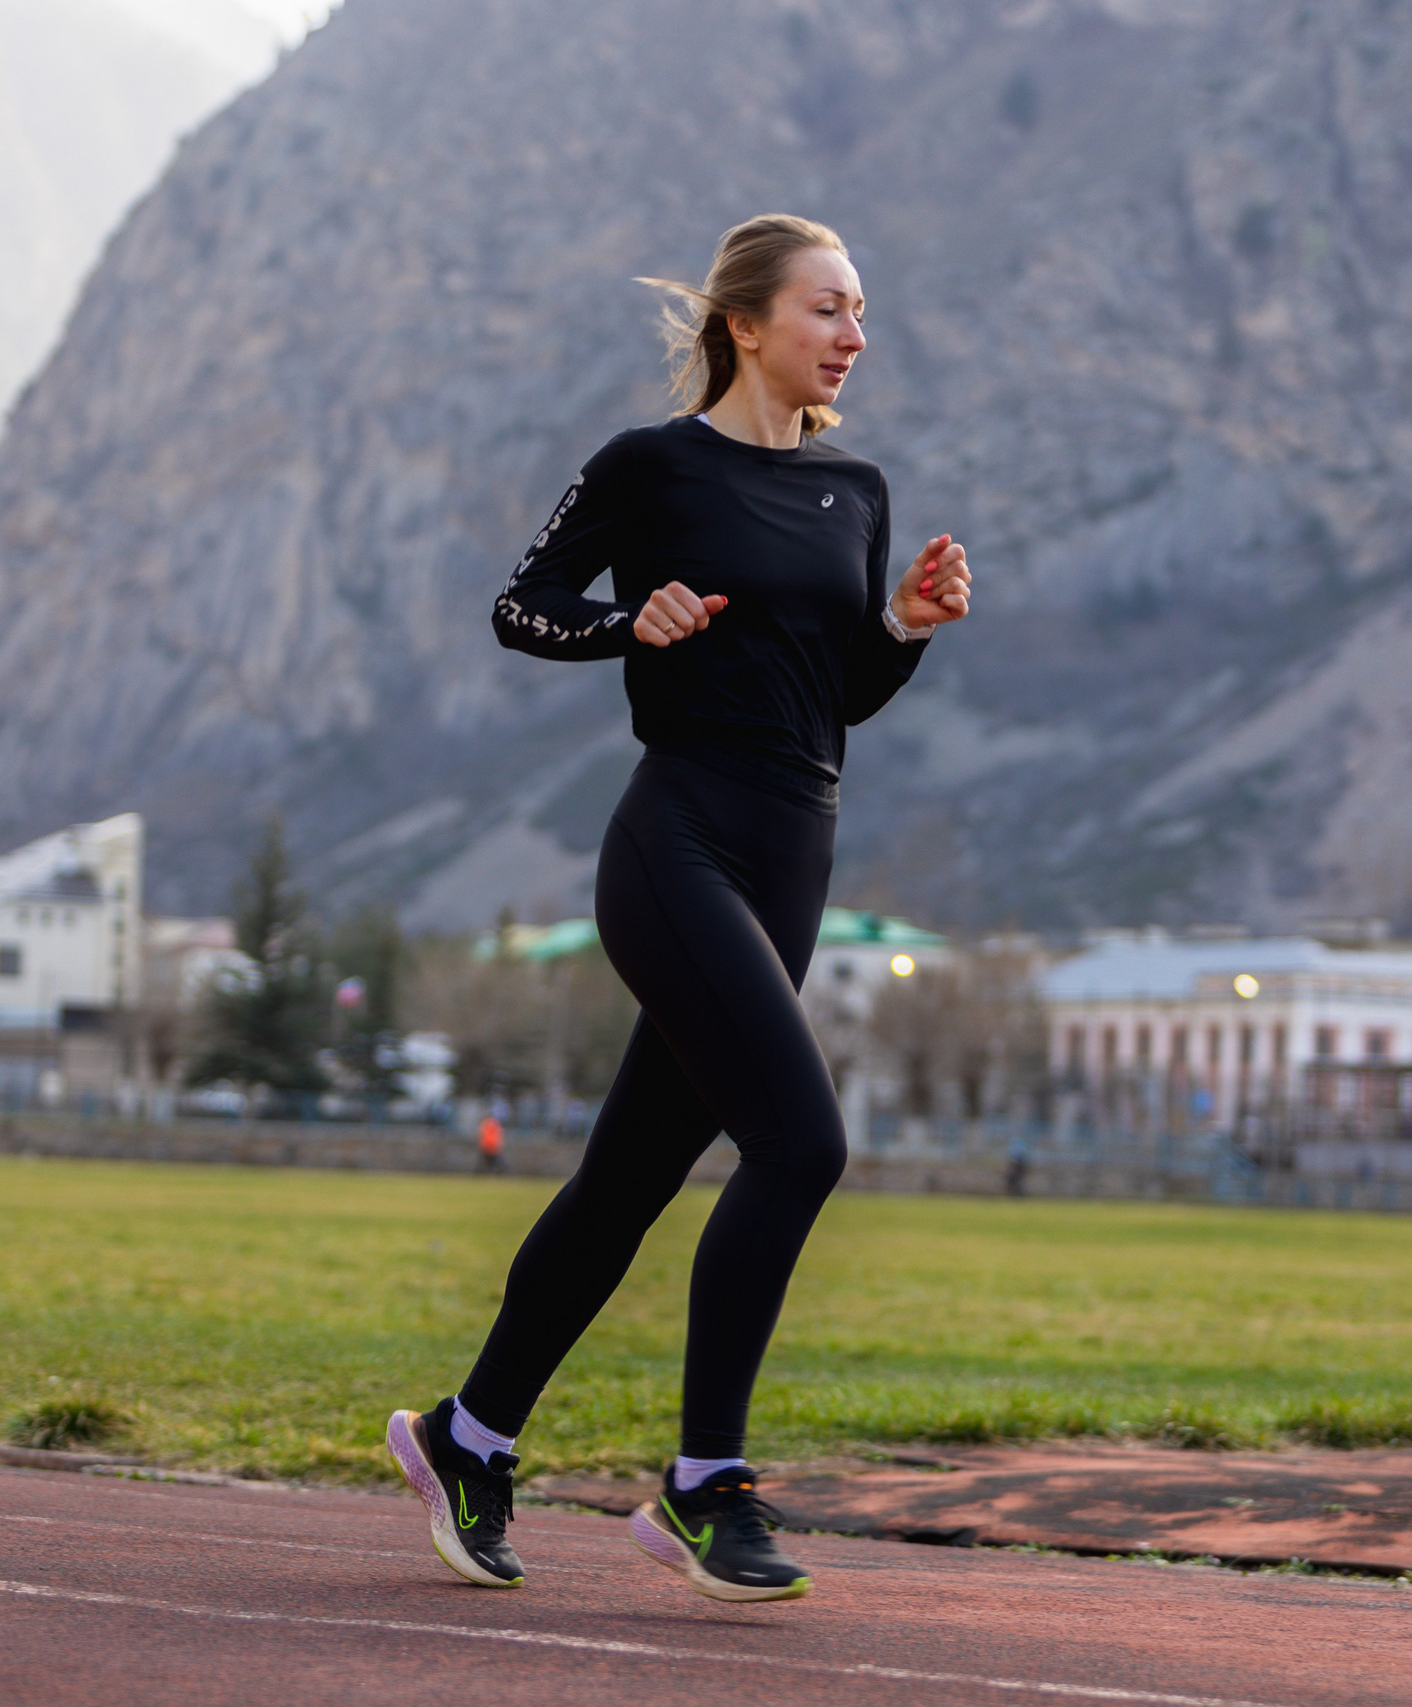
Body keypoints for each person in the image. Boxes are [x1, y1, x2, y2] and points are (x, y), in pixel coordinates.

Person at [384, 215, 970, 1603]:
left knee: (631, 1182)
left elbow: (835, 701)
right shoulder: (652, 466)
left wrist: (902, 634)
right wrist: (622, 624)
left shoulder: (856, 488)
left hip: (795, 859)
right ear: (746, 323)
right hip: (679, 841)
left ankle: (470, 1438)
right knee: (803, 1145)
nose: (853, 333)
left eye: (863, 311)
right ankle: (707, 1485)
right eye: (829, 307)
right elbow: (521, 607)